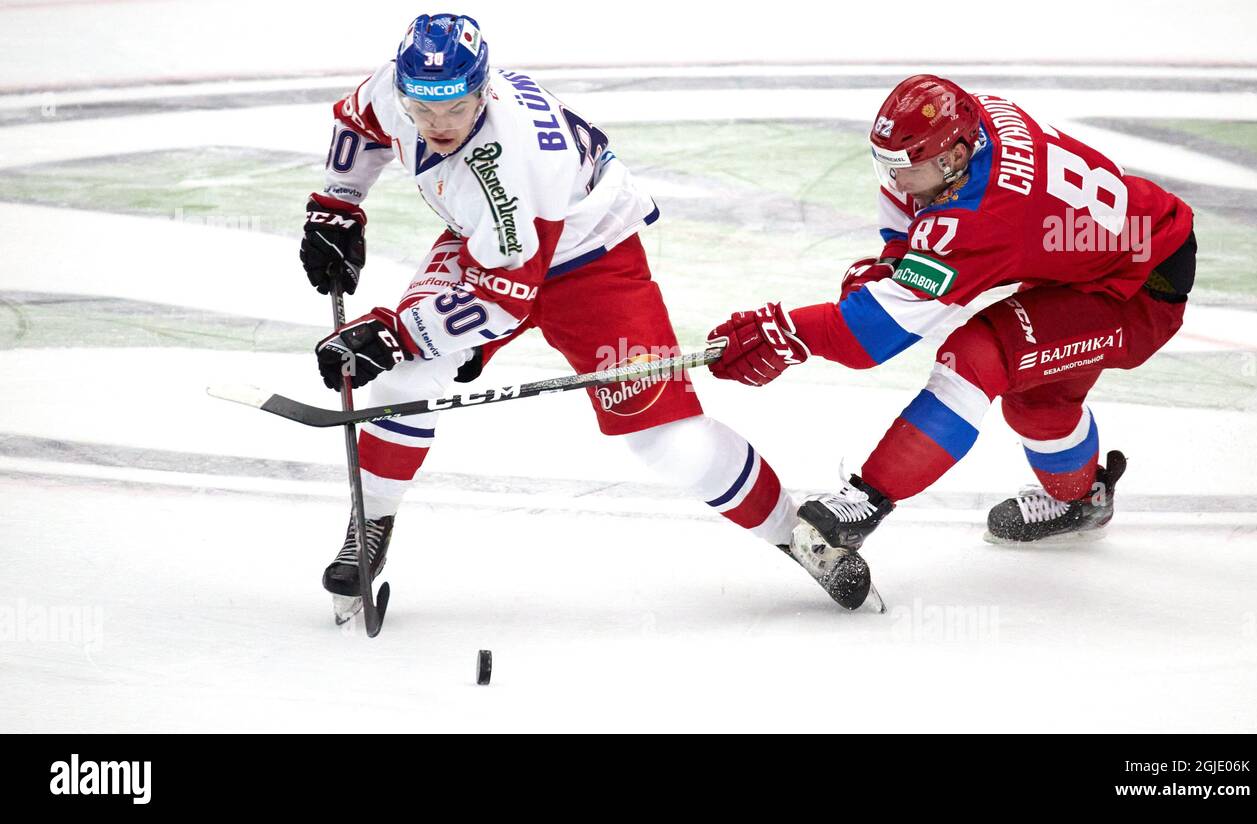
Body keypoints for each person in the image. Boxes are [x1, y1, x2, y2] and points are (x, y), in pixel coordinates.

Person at [299, 13, 864, 621]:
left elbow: (499, 302)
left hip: (591, 263)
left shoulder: (511, 167)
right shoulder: (405, 85)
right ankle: (372, 522)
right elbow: (359, 122)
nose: (437, 125)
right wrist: (338, 203)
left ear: (484, 90)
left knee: (666, 439)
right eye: (423, 109)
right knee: (401, 379)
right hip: (485, 247)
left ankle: (798, 535)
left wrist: (396, 331)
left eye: (455, 110)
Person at [706, 74, 1194, 589]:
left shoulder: (979, 218)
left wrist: (784, 331)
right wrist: (895, 261)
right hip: (1107, 259)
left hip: (1140, 289)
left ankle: (866, 503)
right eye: (885, 164)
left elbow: (869, 338)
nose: (894, 181)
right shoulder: (976, 121)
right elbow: (910, 213)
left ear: (954, 159)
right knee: (1038, 401)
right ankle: (1083, 501)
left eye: (906, 169)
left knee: (977, 356)